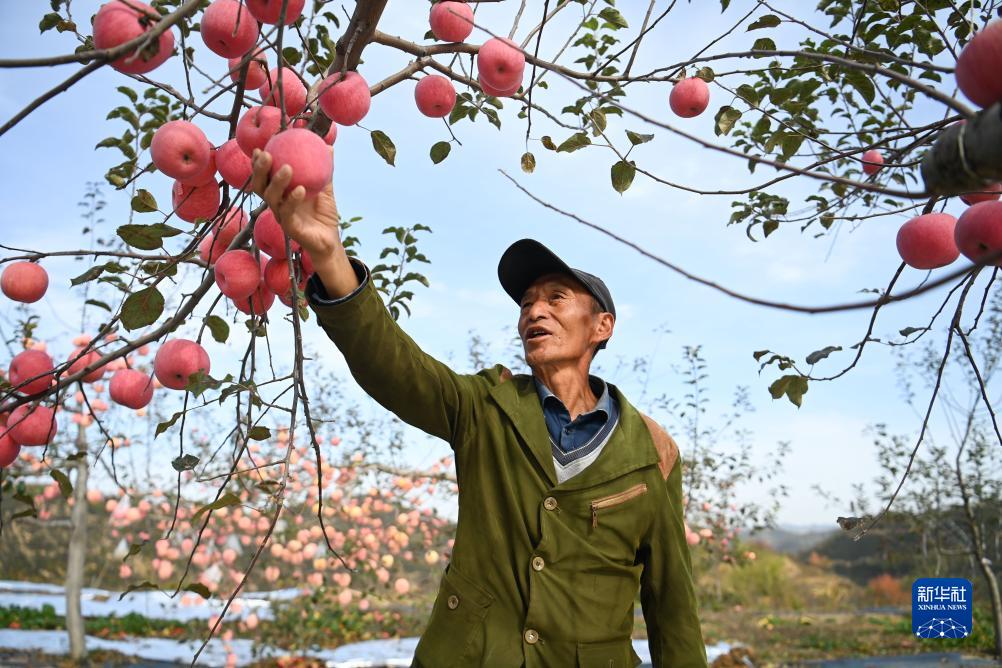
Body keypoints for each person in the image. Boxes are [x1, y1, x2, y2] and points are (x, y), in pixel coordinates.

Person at [249, 148, 708, 667]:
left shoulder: (652, 452)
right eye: (526, 302)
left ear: (602, 327)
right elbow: (394, 367)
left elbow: (672, 605)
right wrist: (331, 256)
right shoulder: (485, 408)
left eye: (557, 298)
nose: (534, 309)